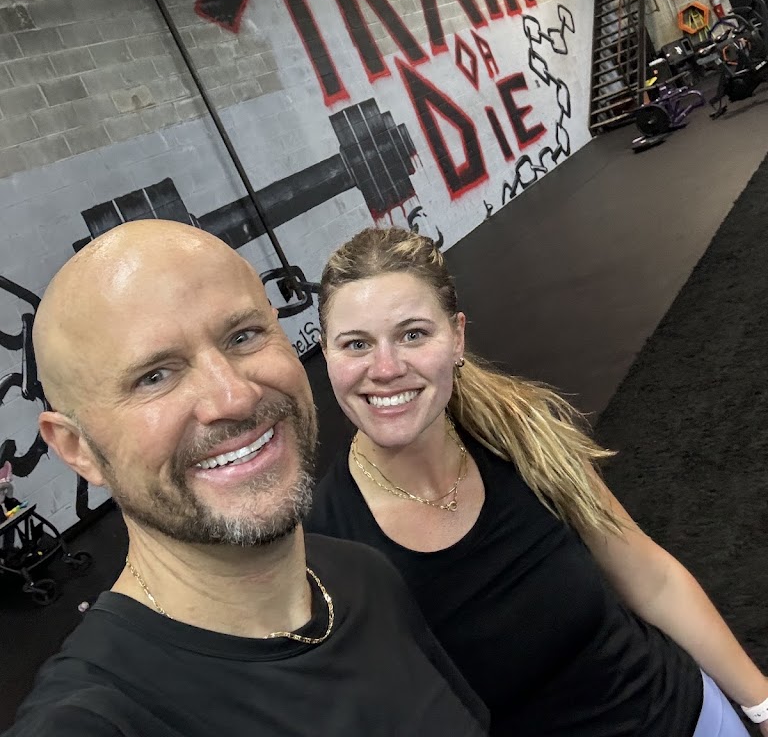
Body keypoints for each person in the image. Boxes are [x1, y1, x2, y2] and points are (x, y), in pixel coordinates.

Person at [5, 220, 488, 737]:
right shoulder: (94, 716)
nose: (234, 397)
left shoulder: (363, 575)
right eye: (154, 376)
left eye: (243, 336)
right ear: (77, 449)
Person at [308, 225, 768, 737]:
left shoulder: (521, 434)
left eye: (413, 334)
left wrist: (762, 706)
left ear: (457, 337)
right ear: (326, 354)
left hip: (690, 718)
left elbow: (652, 579)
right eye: (356, 344)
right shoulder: (324, 546)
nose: (386, 368)